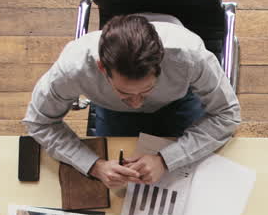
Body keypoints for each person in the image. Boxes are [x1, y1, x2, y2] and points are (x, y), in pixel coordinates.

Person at [23, 13, 241, 189]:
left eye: (146, 90)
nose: (137, 104)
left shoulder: (190, 57)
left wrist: (166, 160)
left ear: (161, 65)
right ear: (101, 68)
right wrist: (94, 166)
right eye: (125, 93)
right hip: (114, 112)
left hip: (178, 103)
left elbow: (227, 114)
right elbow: (39, 122)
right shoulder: (73, 68)